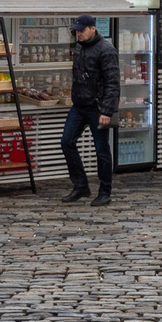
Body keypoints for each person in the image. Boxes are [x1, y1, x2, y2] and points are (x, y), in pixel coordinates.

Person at [61, 14, 118, 205]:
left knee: (101, 150)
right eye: (76, 31)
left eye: (82, 30)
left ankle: (105, 191)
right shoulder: (79, 47)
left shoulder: (106, 50)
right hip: (79, 105)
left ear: (93, 29)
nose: (78, 34)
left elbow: (112, 83)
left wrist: (107, 111)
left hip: (98, 107)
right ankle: (81, 185)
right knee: (66, 142)